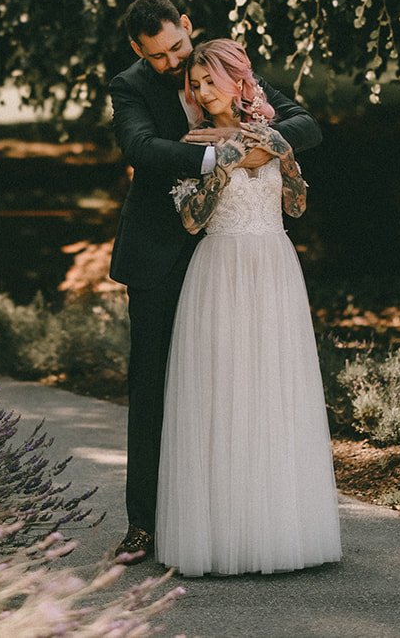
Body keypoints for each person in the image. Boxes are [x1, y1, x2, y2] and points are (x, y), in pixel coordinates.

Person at [107, 0, 323, 560]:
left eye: (177, 45)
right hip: (160, 254)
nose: (173, 63)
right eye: (158, 56)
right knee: (154, 386)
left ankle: (222, 518)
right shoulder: (130, 85)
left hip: (233, 258)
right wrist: (218, 157)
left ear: (187, 24)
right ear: (139, 50)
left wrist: (258, 146)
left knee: (228, 388)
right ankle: (145, 525)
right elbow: (140, 148)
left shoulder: (215, 67)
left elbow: (303, 123)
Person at [155, 38, 341, 575]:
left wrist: (267, 146)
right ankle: (219, 533)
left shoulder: (270, 129)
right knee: (223, 393)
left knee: (272, 390)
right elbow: (191, 219)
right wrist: (229, 157)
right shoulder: (194, 141)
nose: (201, 90)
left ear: (240, 81)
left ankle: (279, 529)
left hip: (274, 267)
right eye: (195, 84)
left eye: (210, 80)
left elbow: (298, 206)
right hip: (220, 269)